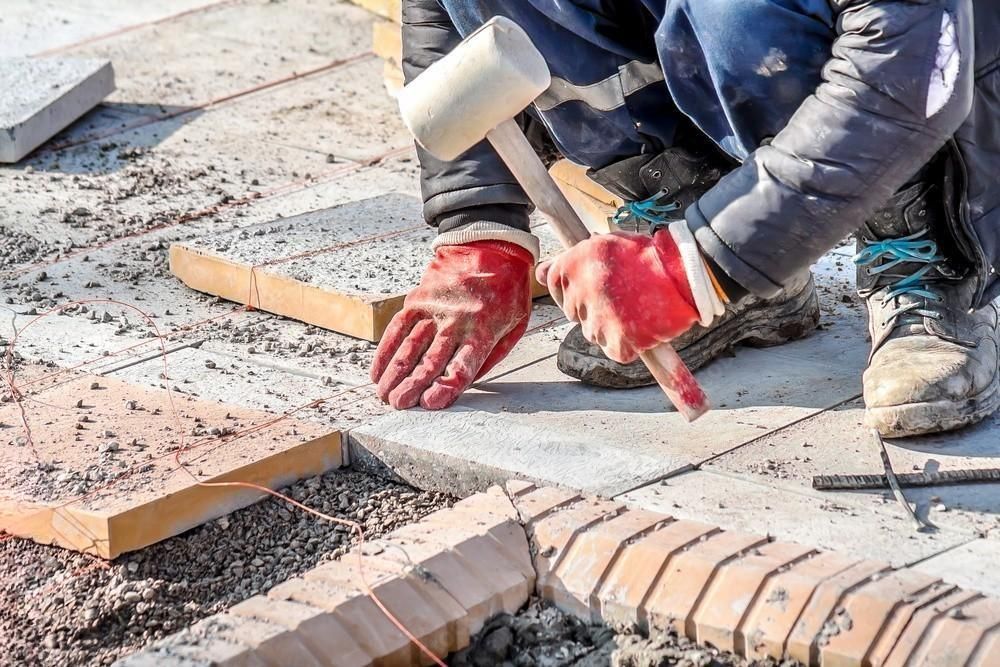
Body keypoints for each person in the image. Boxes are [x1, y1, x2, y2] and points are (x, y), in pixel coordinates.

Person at [371, 0, 1000, 438]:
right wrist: (480, 223)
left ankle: (929, 255)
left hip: (937, 74)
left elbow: (904, 75)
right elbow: (454, 21)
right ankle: (711, 226)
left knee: (746, 18)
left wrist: (696, 266)